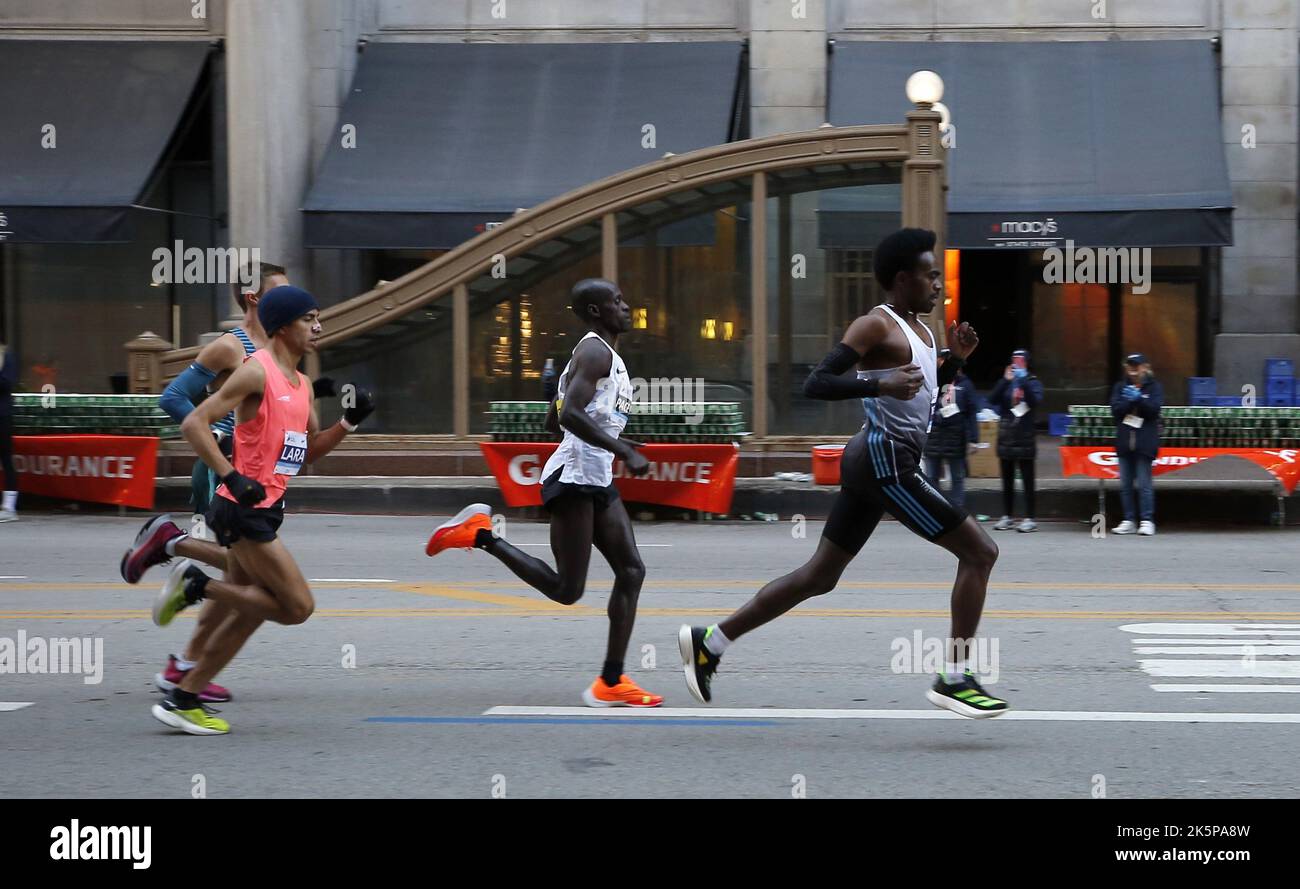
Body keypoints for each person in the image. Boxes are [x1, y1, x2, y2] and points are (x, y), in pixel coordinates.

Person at [678, 228, 1007, 718]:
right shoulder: (875, 325)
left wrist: (953, 363)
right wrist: (878, 382)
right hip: (883, 458)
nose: (939, 283)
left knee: (819, 576)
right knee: (980, 551)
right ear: (902, 279)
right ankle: (955, 678)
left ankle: (712, 641)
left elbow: (920, 393)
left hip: (880, 459)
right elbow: (816, 382)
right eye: (930, 274)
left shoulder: (920, 329)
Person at [147, 285, 374, 734]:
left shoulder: (303, 383)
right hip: (240, 509)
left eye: (317, 318)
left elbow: (307, 453)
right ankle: (196, 585)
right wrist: (230, 474)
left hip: (268, 509)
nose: (318, 326)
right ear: (282, 326)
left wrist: (348, 421)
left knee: (255, 611)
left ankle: (185, 696)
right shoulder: (256, 372)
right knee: (297, 606)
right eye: (309, 319)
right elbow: (195, 422)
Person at [426, 278, 662, 707]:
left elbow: (554, 423)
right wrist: (622, 448)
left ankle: (611, 681)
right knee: (567, 590)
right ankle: (482, 535)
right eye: (617, 302)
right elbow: (569, 415)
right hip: (573, 480)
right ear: (595, 311)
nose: (626, 308)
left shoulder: (599, 356)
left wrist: (618, 436)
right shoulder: (594, 351)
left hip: (596, 478)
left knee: (632, 572)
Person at [120, 262, 287, 705]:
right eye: (280, 292)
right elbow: (172, 397)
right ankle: (172, 544)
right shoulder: (232, 346)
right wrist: (219, 439)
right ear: (254, 297)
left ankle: (186, 661)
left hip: (260, 474)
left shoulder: (278, 348)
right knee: (247, 573)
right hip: (228, 471)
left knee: (241, 573)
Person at [989, 349, 1043, 532]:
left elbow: (1035, 401)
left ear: (1027, 363)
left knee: (1027, 480)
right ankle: (1007, 516)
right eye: (1014, 360)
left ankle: (1030, 517)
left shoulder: (1033, 382)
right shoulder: (1008, 382)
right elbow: (992, 399)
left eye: (1020, 360)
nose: (1016, 363)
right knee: (1007, 479)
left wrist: (1024, 382)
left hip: (1025, 436)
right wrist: (1006, 380)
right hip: (1007, 436)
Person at [1109, 353, 1163, 536]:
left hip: (1144, 442)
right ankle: (1129, 519)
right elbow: (1115, 411)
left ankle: (1147, 520)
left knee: (1144, 483)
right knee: (1125, 484)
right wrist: (1128, 401)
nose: (1133, 369)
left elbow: (1154, 410)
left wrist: (1139, 399)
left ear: (1145, 367)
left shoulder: (1154, 387)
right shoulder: (1120, 386)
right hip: (1125, 442)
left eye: (1137, 365)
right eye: (1130, 365)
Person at [923, 348, 979, 510]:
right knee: (932, 477)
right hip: (934, 437)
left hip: (956, 438)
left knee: (957, 477)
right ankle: (935, 508)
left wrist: (974, 439)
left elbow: (971, 412)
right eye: (942, 360)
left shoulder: (965, 385)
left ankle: (957, 510)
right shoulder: (933, 382)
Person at [0, 340, 17, 523]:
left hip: (2, 415)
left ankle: (9, 507)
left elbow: (7, 382)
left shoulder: (6, 355)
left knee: (6, 459)